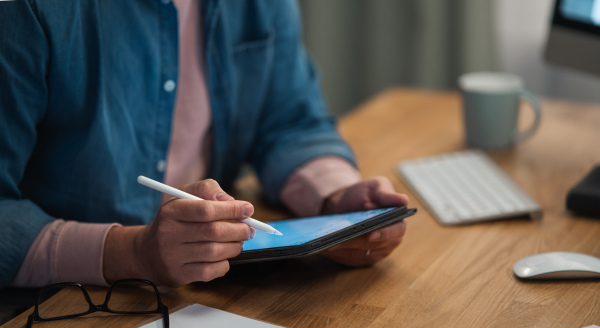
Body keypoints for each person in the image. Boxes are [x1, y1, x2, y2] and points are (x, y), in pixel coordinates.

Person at [0, 0, 409, 289]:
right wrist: (133, 254)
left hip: (212, 284)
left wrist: (335, 201)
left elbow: (289, 120)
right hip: (64, 303)